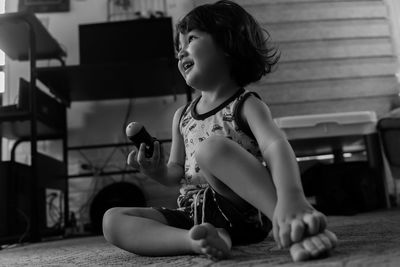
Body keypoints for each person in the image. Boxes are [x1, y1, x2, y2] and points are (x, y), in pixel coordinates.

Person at [102, 0, 337, 262]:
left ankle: (289, 223)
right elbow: (176, 173)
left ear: (227, 44)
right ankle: (198, 240)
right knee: (112, 219)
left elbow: (275, 146)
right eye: (178, 47)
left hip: (244, 208)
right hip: (194, 213)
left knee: (211, 148)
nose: (180, 53)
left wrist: (291, 198)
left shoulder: (246, 104)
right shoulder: (181, 116)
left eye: (190, 40)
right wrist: (157, 172)